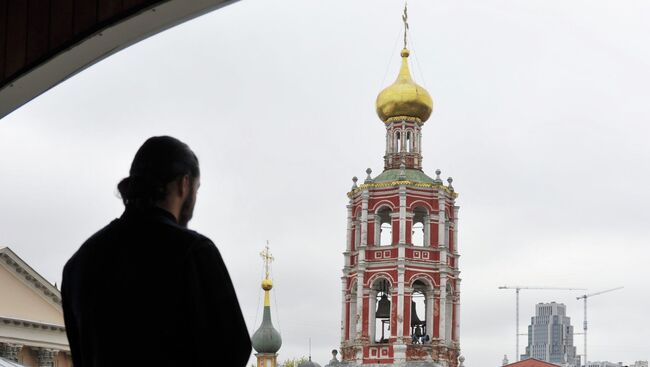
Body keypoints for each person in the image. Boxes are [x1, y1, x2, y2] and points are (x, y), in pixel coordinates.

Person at [62, 136, 251, 367]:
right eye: (196, 189)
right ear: (184, 184)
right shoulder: (194, 252)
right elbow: (233, 351)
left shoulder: (78, 265)